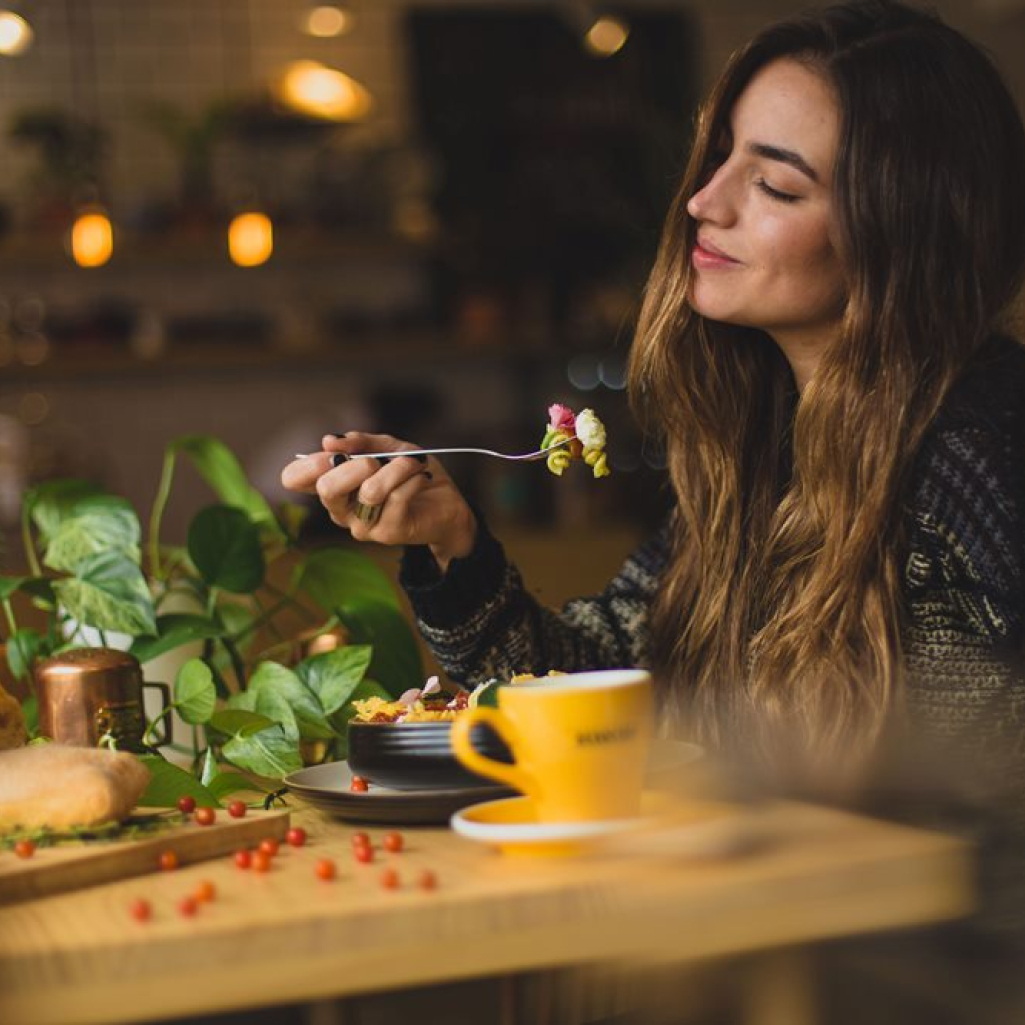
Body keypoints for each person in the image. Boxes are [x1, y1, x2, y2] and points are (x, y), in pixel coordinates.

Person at [283, 0, 1025, 788]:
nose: (705, 200)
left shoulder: (975, 459)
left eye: (773, 184)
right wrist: (450, 542)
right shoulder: (765, 440)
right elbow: (605, 678)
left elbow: (969, 816)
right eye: (722, 155)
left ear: (903, 233)